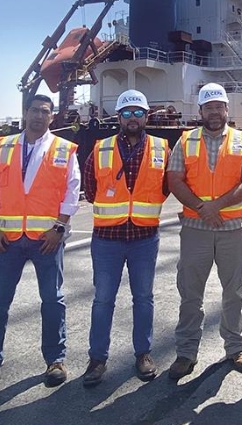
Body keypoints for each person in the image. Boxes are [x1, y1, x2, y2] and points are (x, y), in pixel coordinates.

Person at [0, 94, 81, 399]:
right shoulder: (2, 147)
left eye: (45, 112)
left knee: (53, 300)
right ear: (25, 112)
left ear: (52, 116)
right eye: (34, 110)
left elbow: (72, 192)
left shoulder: (64, 149)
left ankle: (55, 361)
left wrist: (59, 228)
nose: (38, 116)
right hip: (6, 241)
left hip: (47, 239)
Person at [166, 83, 242, 379]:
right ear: (200, 111)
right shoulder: (186, 141)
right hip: (195, 230)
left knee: (234, 291)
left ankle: (235, 348)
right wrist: (201, 207)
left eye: (219, 106)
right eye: (209, 107)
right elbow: (175, 179)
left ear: (227, 110)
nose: (215, 112)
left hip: (234, 229)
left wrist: (215, 205)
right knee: (190, 293)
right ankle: (186, 352)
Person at [81, 90, 169, 387]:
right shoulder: (101, 149)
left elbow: (166, 186)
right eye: (127, 113)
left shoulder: (162, 149)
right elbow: (90, 188)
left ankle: (143, 353)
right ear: (118, 117)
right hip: (107, 238)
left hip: (145, 236)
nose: (133, 118)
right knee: (103, 300)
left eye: (138, 113)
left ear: (147, 116)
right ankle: (97, 359)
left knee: (143, 298)